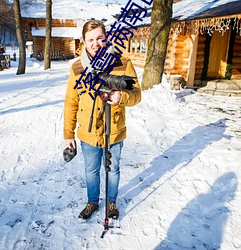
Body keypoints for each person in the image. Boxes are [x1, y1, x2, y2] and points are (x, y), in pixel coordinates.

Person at [63, 20, 141, 220]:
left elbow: (137, 95)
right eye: (91, 39)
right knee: (91, 170)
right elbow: (71, 102)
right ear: (84, 41)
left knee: (113, 168)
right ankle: (92, 202)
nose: (95, 43)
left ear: (106, 39)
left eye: (99, 38)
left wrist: (121, 97)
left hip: (114, 129)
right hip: (88, 132)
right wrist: (68, 134)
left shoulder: (122, 63)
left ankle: (112, 202)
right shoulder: (77, 68)